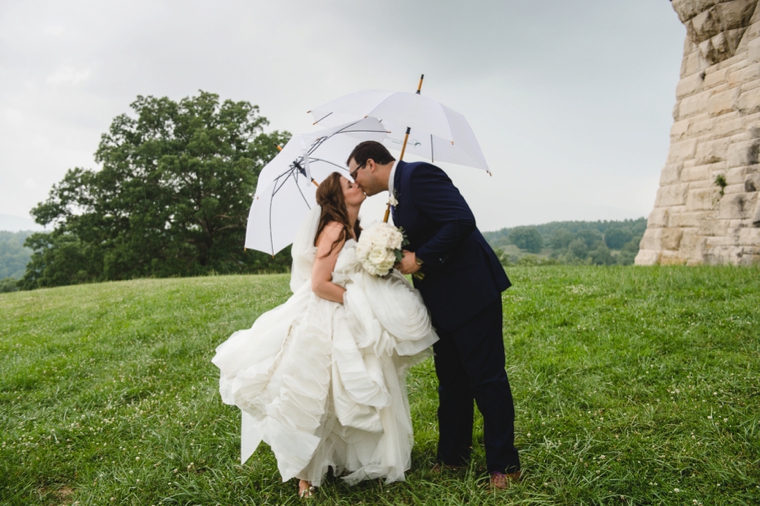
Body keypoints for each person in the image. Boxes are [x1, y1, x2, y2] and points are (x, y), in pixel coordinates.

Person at [212, 172, 438, 498]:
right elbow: (319, 283)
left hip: (348, 313)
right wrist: (356, 300)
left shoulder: (353, 230)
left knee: (346, 389)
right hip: (328, 313)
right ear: (337, 197)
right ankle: (306, 475)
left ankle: (341, 459)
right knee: (317, 390)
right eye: (350, 185)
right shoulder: (333, 230)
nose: (357, 186)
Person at [346, 141, 521, 489]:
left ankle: (505, 465)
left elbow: (460, 220)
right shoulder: (397, 195)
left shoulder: (418, 175)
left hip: (471, 293)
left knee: (486, 379)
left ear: (370, 163)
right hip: (441, 299)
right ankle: (453, 455)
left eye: (354, 173)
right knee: (451, 379)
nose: (355, 181)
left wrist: (420, 257)